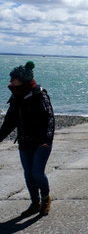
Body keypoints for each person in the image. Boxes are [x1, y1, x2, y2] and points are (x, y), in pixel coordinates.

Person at [0, 61, 55, 217]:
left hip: (42, 142)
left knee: (37, 173)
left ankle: (46, 199)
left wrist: (47, 140)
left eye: (13, 79)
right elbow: (9, 122)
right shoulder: (16, 96)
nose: (10, 82)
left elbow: (50, 119)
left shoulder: (39, 94)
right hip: (25, 141)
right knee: (28, 175)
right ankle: (35, 203)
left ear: (22, 80)